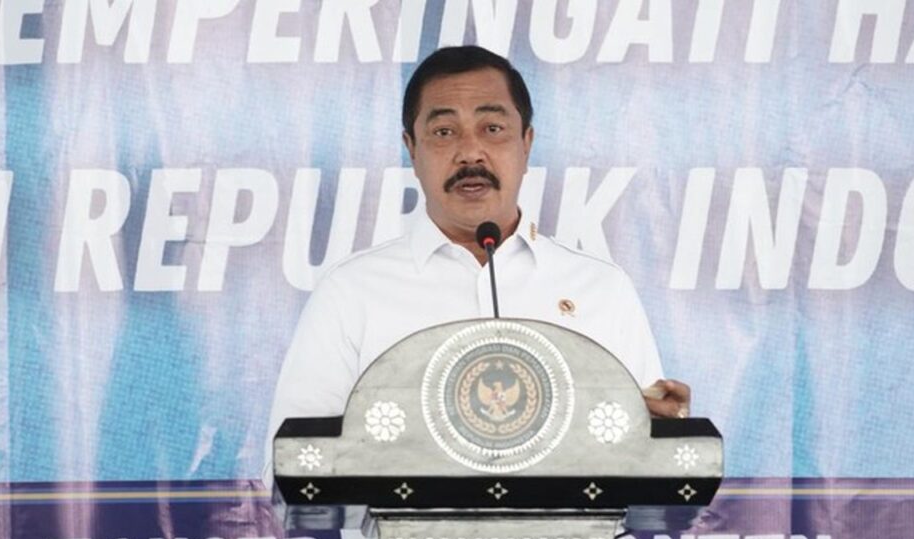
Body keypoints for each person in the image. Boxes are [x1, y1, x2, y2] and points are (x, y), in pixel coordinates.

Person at [263, 46, 690, 486]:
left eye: (492, 128)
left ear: (526, 143)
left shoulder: (600, 289)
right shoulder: (352, 291)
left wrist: (665, 437)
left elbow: (651, 467)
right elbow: (289, 466)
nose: (470, 153)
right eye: (444, 131)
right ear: (411, 149)